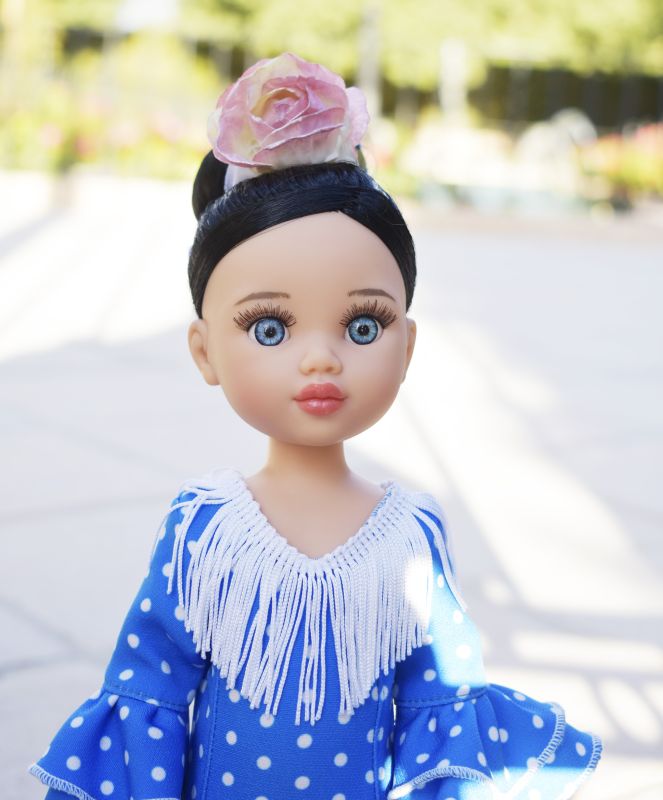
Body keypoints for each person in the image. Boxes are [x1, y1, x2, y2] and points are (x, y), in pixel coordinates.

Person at [28, 52, 602, 800]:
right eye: (269, 328)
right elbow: (150, 692)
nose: (321, 359)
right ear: (205, 351)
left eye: (363, 326)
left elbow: (437, 706)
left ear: (406, 347)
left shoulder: (410, 535)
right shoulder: (205, 530)